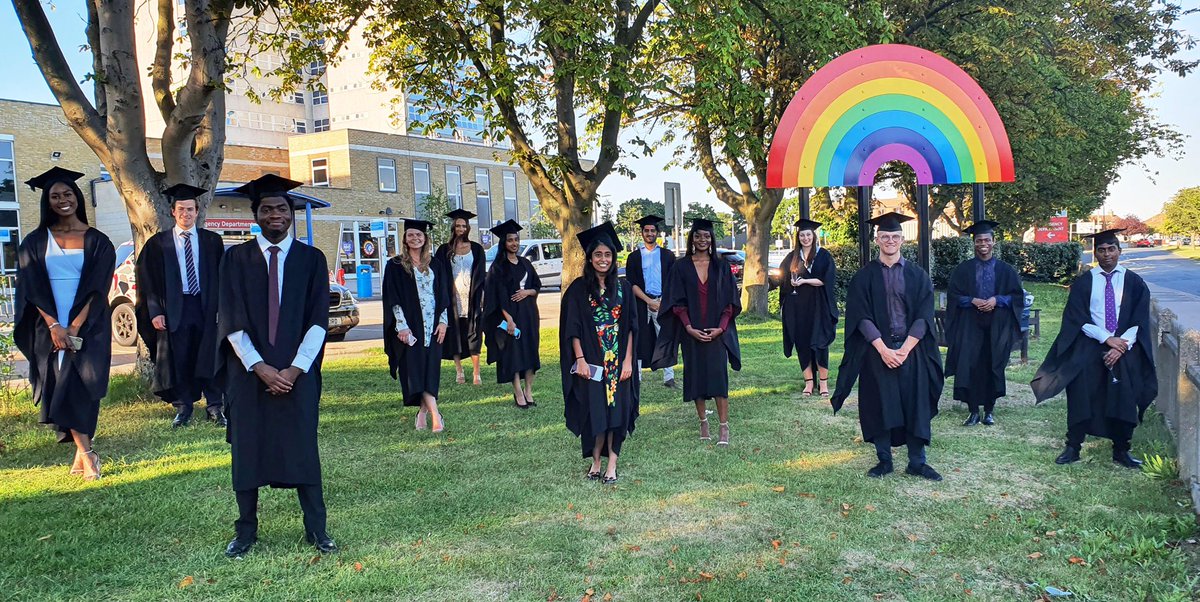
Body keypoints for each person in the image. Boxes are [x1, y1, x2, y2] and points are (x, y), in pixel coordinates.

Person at [218, 174, 336, 557]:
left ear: (291, 214)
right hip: (248, 375)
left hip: (297, 374)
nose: (275, 215)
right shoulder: (235, 259)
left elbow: (319, 321)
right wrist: (260, 367)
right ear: (256, 214)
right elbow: (230, 319)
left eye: (281, 209)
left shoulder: (312, 260)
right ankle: (246, 531)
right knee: (247, 450)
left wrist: (294, 370)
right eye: (267, 209)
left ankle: (317, 530)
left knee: (303, 446)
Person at [13, 167, 116, 481]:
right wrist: (55, 326)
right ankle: (88, 454)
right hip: (49, 326)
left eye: (68, 194)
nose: (62, 200)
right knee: (61, 384)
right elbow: (31, 288)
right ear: (48, 201)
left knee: (85, 385)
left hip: (88, 325)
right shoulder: (35, 241)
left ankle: (82, 452)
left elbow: (98, 287)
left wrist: (74, 326)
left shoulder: (98, 241)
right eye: (55, 196)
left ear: (78, 197)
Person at [830, 212, 945, 481]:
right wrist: (883, 349)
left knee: (916, 405)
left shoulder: (918, 276)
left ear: (902, 239)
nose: (890, 240)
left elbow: (924, 316)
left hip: (911, 350)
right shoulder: (864, 277)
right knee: (879, 404)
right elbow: (860, 317)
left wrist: (904, 349)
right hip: (876, 351)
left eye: (894, 236)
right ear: (877, 239)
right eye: (885, 236)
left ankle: (917, 462)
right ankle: (884, 461)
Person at [1032, 228, 1157, 468]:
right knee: (1081, 395)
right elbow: (1076, 317)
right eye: (1101, 250)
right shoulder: (1084, 282)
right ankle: (1073, 447)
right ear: (1095, 253)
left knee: (1123, 397)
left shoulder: (1134, 282)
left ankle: (1122, 450)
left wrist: (1120, 346)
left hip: (1124, 348)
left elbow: (1140, 319)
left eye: (1111, 249)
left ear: (1120, 251)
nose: (1107, 254)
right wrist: (1106, 339)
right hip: (1089, 347)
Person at [135, 183, 227, 428]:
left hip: (206, 306)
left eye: (190, 209)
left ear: (197, 211)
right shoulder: (159, 244)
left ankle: (215, 407)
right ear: (173, 212)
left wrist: (222, 309)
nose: (186, 214)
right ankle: (184, 408)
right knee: (180, 357)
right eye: (181, 209)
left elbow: (223, 277)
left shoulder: (212, 241)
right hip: (175, 308)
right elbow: (148, 281)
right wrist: (155, 311)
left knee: (210, 354)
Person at [651, 218, 741, 446]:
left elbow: (730, 301)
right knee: (696, 378)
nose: (703, 240)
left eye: (707, 236)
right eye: (698, 236)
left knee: (719, 378)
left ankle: (723, 426)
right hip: (691, 333)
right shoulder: (681, 266)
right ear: (692, 238)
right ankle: (703, 421)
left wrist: (721, 328)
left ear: (712, 239)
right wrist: (689, 327)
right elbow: (676, 301)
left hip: (716, 332)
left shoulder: (720, 266)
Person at [561, 222, 639, 484]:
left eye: (607, 255)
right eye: (598, 254)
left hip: (619, 362)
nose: (603, 259)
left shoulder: (624, 289)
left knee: (617, 412)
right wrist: (580, 359)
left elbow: (631, 327)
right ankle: (595, 460)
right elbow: (572, 328)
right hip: (593, 362)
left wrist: (628, 360)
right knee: (596, 411)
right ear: (590, 258)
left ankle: (612, 464)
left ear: (613, 258)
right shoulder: (578, 289)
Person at [945, 220, 1023, 427]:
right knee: (969, 365)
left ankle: (989, 410)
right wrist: (972, 300)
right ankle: (972, 412)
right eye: (979, 240)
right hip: (970, 325)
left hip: (997, 325)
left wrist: (997, 300)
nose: (983, 244)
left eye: (987, 240)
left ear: (994, 242)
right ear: (974, 243)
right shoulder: (963, 270)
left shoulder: (1006, 271)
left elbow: (1016, 297)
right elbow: (953, 296)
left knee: (993, 365)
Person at [384, 218, 451, 433]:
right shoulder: (394, 265)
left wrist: (443, 322)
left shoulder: (436, 264)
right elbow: (392, 299)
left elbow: (444, 296)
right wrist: (401, 326)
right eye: (411, 235)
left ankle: (423, 412)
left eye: (419, 235)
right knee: (414, 370)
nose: (415, 238)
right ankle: (435, 414)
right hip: (410, 327)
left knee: (430, 370)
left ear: (425, 238)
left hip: (433, 327)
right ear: (404, 238)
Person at [483, 220, 541, 408]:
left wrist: (528, 292)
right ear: (504, 243)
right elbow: (495, 297)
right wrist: (509, 320)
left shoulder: (525, 263)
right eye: (510, 240)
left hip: (530, 315)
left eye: (516, 240)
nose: (514, 243)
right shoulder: (498, 268)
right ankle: (518, 392)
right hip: (511, 317)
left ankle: (528, 390)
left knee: (531, 352)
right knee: (514, 354)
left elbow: (536, 286)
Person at [779, 219, 838, 396]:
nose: (805, 238)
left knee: (819, 343)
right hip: (798, 308)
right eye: (802, 235)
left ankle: (824, 384)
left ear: (814, 236)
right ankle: (809, 383)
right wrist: (785, 282)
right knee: (802, 342)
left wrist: (804, 281)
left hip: (818, 306)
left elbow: (826, 280)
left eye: (808, 235)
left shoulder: (823, 255)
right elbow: (782, 276)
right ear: (798, 237)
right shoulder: (792, 257)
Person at [625, 214, 677, 388]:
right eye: (646, 230)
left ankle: (669, 377)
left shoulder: (667, 256)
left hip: (663, 301)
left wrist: (661, 301)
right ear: (642, 233)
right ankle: (637, 376)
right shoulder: (634, 257)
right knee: (639, 337)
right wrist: (648, 301)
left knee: (665, 337)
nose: (649, 233)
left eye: (652, 230)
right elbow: (631, 284)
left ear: (657, 233)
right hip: (641, 302)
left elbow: (672, 282)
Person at [435, 209, 486, 385]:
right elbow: (439, 274)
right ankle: (459, 371)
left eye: (464, 225)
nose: (461, 228)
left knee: (474, 333)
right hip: (452, 300)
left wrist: (481, 298)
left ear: (468, 228)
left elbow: (481, 276)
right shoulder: (444, 250)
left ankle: (476, 373)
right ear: (453, 227)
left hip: (472, 299)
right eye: (458, 225)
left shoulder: (477, 249)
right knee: (454, 334)